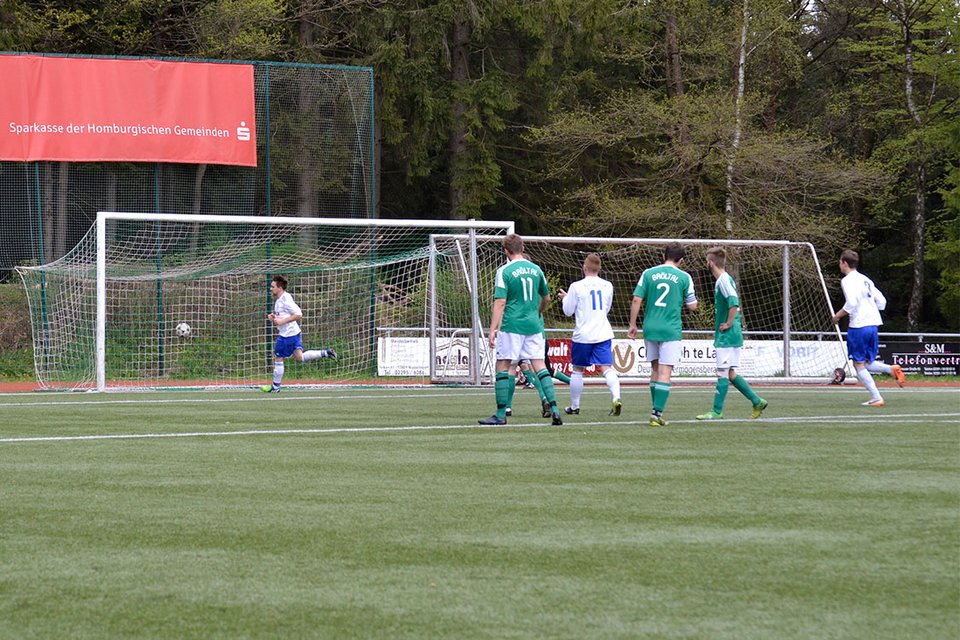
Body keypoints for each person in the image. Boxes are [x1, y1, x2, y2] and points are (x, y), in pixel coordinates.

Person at [479, 234, 563, 426]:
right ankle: (556, 410)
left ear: (506, 251)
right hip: (534, 325)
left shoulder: (505, 271)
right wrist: (539, 311)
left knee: (503, 364)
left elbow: (500, 301)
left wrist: (492, 329)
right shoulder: (536, 269)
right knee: (540, 365)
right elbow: (547, 298)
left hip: (512, 325)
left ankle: (501, 414)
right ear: (523, 248)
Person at [627, 242, 697, 427]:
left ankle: (656, 410)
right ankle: (656, 414)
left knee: (655, 370)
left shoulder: (648, 273)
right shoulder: (684, 277)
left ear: (663, 256)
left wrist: (633, 324)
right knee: (666, 372)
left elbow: (636, 299)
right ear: (681, 260)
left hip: (650, 327)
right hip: (670, 329)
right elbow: (692, 306)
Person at [695, 247, 768, 420]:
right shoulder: (724, 279)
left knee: (722, 373)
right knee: (730, 374)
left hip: (727, 334)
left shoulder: (723, 281)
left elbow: (734, 302)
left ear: (711, 262)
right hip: (733, 333)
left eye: (707, 261)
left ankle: (717, 411)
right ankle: (757, 401)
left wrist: (727, 323)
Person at [831, 249, 905, 406]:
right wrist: (869, 310)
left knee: (858, 364)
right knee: (866, 362)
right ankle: (891, 369)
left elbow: (852, 303)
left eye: (840, 262)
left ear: (844, 263)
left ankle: (877, 397)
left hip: (859, 326)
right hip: (873, 325)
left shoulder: (847, 280)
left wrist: (837, 316)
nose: (839, 264)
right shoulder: (866, 279)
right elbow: (882, 302)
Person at [557, 253, 622, 416]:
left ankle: (575, 406)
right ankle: (616, 398)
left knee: (578, 369)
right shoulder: (608, 286)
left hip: (583, 335)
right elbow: (606, 308)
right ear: (599, 269)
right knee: (607, 368)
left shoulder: (576, 286)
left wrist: (566, 299)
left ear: (584, 268)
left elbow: (567, 311)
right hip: (603, 332)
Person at [262, 275, 337, 393]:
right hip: (294, 333)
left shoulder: (286, 299)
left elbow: (298, 314)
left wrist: (281, 321)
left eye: (272, 287)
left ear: (280, 288)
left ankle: (275, 387)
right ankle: (326, 353)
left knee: (278, 358)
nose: (270, 289)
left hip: (287, 335)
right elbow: (283, 313)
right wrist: (273, 316)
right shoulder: (279, 299)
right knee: (299, 357)